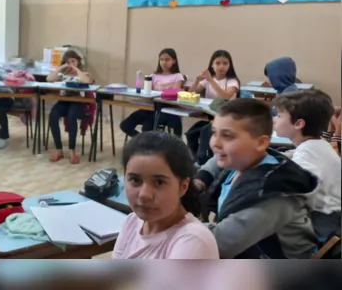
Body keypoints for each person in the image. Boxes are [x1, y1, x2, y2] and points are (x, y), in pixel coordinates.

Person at [194, 99, 318, 258]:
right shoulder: (247, 160)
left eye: (227, 136)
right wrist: (199, 181)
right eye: (214, 132)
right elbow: (216, 161)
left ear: (261, 143)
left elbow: (217, 244)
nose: (215, 143)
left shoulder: (272, 192)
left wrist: (171, 225)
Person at [112, 131, 219, 259]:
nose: (144, 195)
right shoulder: (131, 222)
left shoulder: (193, 241)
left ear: (183, 186)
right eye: (135, 180)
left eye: (159, 182)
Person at [273, 90, 340, 241]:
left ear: (299, 124)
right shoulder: (318, 145)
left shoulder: (307, 156)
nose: (274, 120)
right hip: (329, 218)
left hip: (322, 226)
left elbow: (288, 194)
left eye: (279, 115)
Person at [186, 50, 240, 164]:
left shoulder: (232, 81)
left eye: (225, 63)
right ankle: (194, 160)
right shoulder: (207, 80)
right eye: (218, 63)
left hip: (227, 119)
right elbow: (190, 94)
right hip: (211, 118)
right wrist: (197, 80)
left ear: (230, 65)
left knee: (205, 132)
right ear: (212, 65)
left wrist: (210, 80)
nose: (221, 66)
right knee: (191, 133)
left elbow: (225, 95)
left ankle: (203, 161)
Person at [120, 48, 185, 139]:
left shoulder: (177, 76)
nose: (164, 62)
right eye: (161, 60)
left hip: (166, 110)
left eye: (167, 60)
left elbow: (175, 94)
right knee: (125, 125)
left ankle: (149, 143)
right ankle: (142, 140)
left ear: (174, 61)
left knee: (147, 127)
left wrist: (163, 90)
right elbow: (146, 97)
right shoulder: (153, 76)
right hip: (150, 108)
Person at [46, 49, 92, 164]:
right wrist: (62, 67)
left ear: (78, 62)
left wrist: (76, 69)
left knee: (72, 116)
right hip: (63, 102)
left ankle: (72, 150)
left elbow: (87, 81)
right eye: (68, 62)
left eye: (73, 61)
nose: (71, 64)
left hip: (78, 102)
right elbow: (49, 78)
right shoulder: (62, 75)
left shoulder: (83, 74)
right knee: (53, 115)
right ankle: (59, 149)